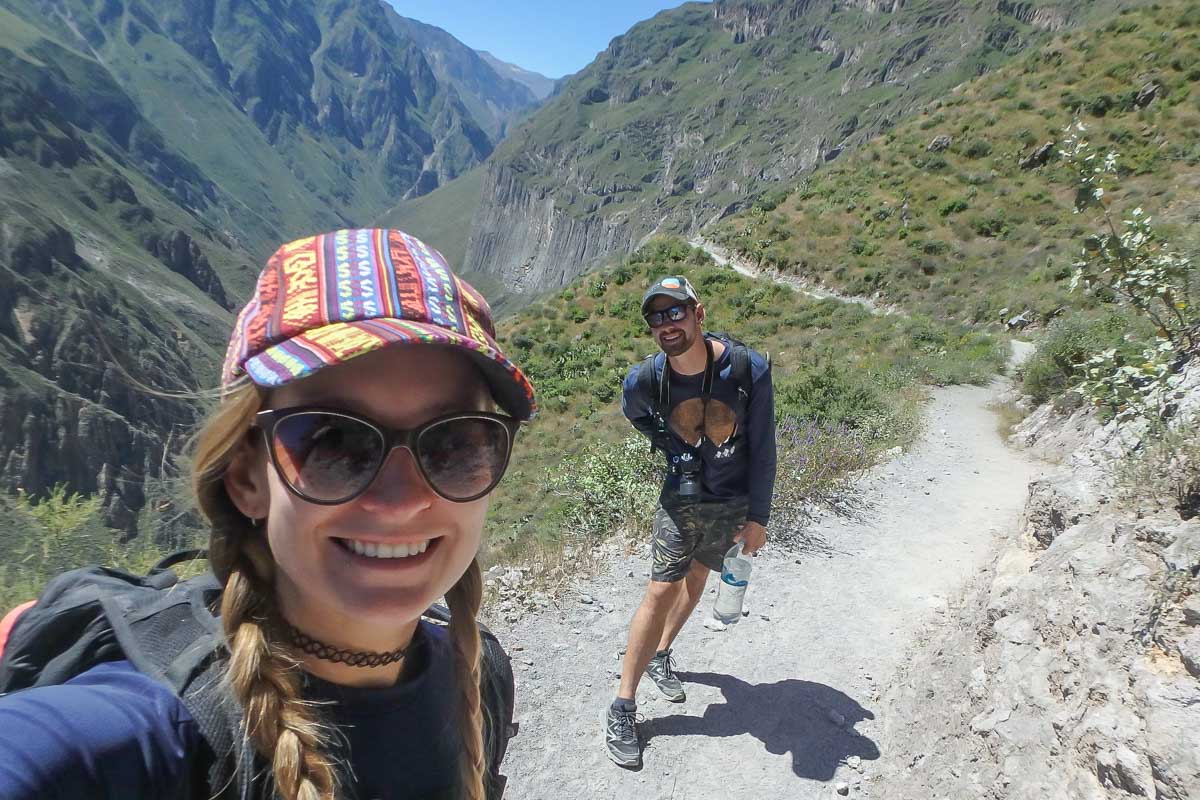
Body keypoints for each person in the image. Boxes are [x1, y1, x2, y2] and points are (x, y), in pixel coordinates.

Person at [0, 228, 536, 800]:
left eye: (453, 443)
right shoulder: (162, 734)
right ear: (247, 478)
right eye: (333, 442)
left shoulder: (481, 677)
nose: (401, 500)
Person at [605, 275, 776, 768]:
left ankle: (661, 656)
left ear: (698, 313)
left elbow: (764, 448)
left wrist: (758, 517)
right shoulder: (646, 379)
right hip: (680, 500)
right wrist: (670, 445)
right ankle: (623, 706)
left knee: (698, 578)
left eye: (674, 312)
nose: (666, 324)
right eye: (655, 317)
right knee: (661, 588)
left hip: (732, 502)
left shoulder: (748, 369)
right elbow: (635, 413)